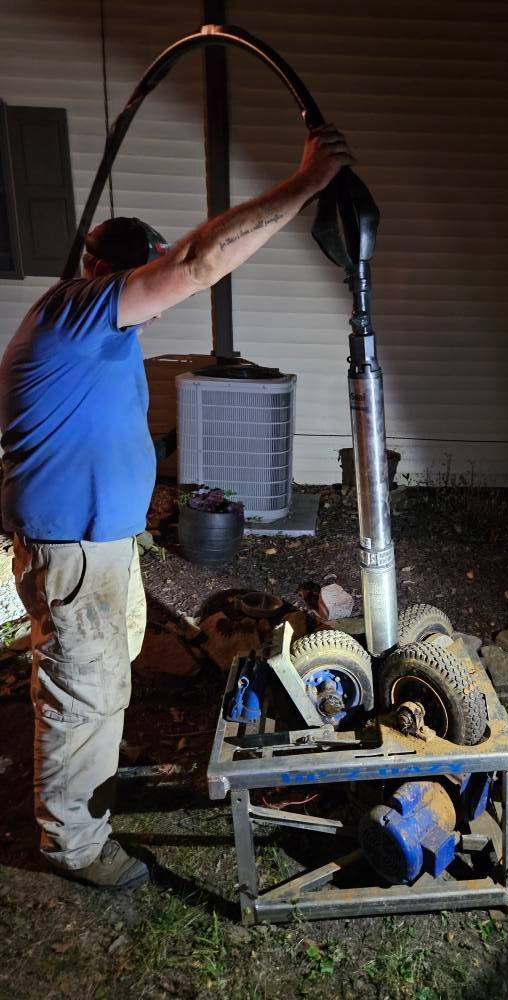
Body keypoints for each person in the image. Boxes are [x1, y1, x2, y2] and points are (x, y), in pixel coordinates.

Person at [0, 124, 353, 889]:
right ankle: (73, 843)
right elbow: (197, 263)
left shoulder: (99, 328)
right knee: (80, 684)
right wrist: (305, 182)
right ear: (101, 269)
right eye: (138, 277)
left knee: (106, 664)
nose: (150, 297)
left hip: (103, 537)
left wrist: (155, 464)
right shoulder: (82, 309)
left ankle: (96, 765)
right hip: (73, 542)